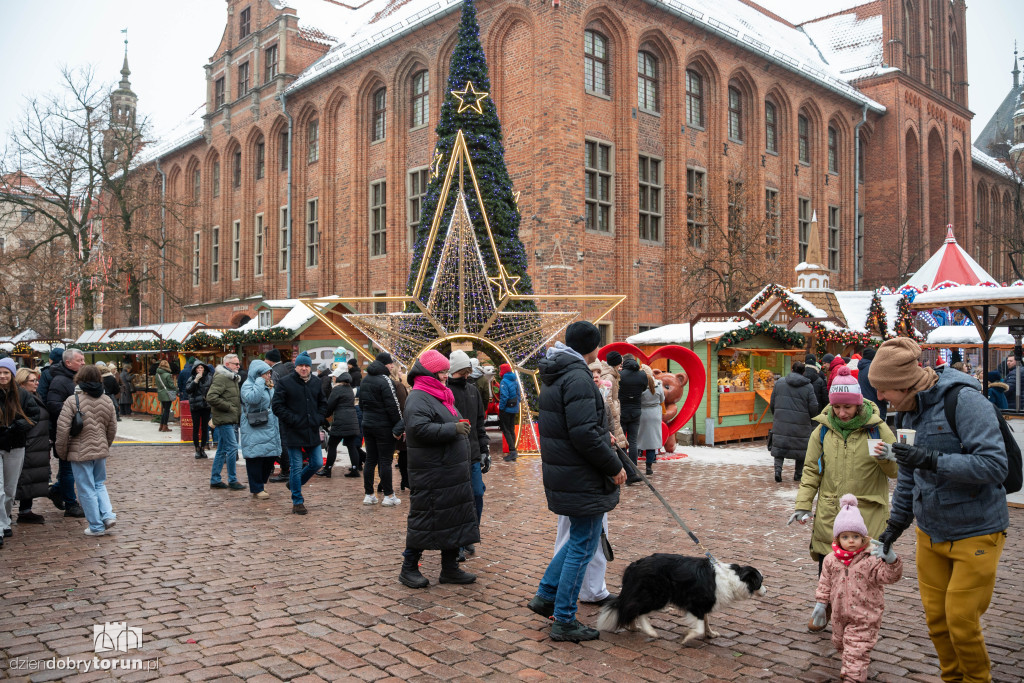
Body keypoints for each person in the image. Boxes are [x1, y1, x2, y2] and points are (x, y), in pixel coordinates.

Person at [870, 338, 1008, 683]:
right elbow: (908, 477)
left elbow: (994, 465)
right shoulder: (906, 411)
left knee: (960, 621)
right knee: (937, 621)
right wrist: (894, 526)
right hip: (930, 532)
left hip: (975, 529)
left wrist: (932, 460)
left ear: (904, 383)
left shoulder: (964, 401)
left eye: (884, 390)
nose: (880, 398)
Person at [527, 321, 627, 643]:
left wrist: (602, 432)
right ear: (593, 346)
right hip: (581, 474)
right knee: (583, 544)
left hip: (568, 472)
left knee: (578, 538)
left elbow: (580, 425)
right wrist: (613, 466)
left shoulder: (559, 372)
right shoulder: (578, 376)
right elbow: (582, 433)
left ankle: (545, 596)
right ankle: (565, 618)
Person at [789, 365, 898, 582]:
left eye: (847, 406)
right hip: (831, 519)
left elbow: (894, 472)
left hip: (867, 519)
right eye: (836, 406)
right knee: (828, 586)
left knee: (863, 589)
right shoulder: (822, 430)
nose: (841, 413)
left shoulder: (876, 428)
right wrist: (802, 505)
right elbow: (811, 471)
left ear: (858, 404)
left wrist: (887, 456)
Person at [398, 349, 478, 588]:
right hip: (432, 472)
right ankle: (408, 568)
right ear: (430, 373)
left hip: (449, 471)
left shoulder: (440, 395)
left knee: (452, 518)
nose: (446, 376)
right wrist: (452, 429)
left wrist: (458, 426)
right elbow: (418, 429)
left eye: (445, 371)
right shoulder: (419, 396)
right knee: (424, 519)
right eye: (442, 372)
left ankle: (450, 568)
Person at [811, 495, 903, 682]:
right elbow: (825, 582)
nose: (851, 541)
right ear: (838, 538)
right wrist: (821, 603)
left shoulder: (871, 560)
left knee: (856, 650)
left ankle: (853, 676)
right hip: (839, 614)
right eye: (845, 537)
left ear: (863, 538)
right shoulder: (830, 560)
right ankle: (851, 665)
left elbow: (889, 576)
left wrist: (891, 560)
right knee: (840, 644)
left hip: (865, 616)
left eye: (855, 536)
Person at [54, 364, 117, 536]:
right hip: (100, 449)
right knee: (99, 484)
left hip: (79, 451)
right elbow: (112, 428)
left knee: (86, 488)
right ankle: (108, 515)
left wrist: (62, 451)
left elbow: (62, 430)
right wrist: (106, 444)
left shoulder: (72, 401)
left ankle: (96, 526)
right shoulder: (107, 401)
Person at [271, 351, 327, 515]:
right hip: (294, 431)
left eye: (306, 366)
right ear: (296, 367)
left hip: (311, 430)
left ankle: (295, 484)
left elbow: (323, 404)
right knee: (295, 466)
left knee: (316, 463)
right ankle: (297, 501)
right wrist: (293, 419)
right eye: (301, 366)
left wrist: (318, 418)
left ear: (310, 367)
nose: (304, 368)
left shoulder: (316, 382)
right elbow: (277, 406)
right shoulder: (285, 383)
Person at [447, 350, 490, 560]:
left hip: (472, 453)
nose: (466, 376)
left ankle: (470, 534)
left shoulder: (473, 391)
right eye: (462, 372)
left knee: (477, 494)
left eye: (468, 372)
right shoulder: (445, 391)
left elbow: (479, 423)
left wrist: (484, 449)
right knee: (457, 499)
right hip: (452, 454)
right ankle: (457, 542)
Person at [0, 358, 39, 544]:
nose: (2, 376)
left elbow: (34, 415)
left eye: (6, 372)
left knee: (9, 488)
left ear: (12, 374)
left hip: (15, 445)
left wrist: (17, 426)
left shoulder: (22, 395)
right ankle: (0, 526)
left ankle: (6, 518)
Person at [358, 352, 403, 506]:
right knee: (385, 461)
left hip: (368, 424)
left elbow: (362, 405)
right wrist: (399, 424)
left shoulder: (365, 380)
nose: (392, 366)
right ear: (385, 364)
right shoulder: (385, 380)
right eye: (390, 364)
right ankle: (389, 495)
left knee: (370, 459)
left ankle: (369, 494)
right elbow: (393, 406)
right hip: (384, 426)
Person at [45, 348, 85, 518]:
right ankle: (71, 504)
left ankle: (55, 490)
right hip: (65, 432)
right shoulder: (60, 380)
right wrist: (75, 412)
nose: (83, 363)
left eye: (83, 360)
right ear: (68, 363)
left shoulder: (76, 379)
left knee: (71, 470)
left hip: (77, 431)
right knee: (68, 469)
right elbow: (52, 404)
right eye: (79, 360)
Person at [769, 360, 819, 482]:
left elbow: (773, 402)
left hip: (781, 421)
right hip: (801, 424)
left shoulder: (780, 383)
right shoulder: (808, 387)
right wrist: (811, 419)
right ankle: (798, 474)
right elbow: (813, 406)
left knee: (779, 447)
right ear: (803, 372)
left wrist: (777, 415)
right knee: (801, 449)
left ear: (791, 370)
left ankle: (778, 471)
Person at [240, 359, 280, 500]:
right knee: (255, 457)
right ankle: (257, 488)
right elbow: (253, 399)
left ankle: (261, 484)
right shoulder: (248, 385)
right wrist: (259, 381)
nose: (269, 376)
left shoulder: (268, 385)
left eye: (269, 373)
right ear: (258, 374)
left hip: (269, 425)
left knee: (269, 455)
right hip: (254, 426)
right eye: (266, 373)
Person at [14, 368, 49, 525]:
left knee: (30, 478)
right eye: (32, 381)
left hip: (37, 443)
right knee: (22, 478)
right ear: (22, 383)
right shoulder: (19, 398)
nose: (36, 383)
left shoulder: (35, 395)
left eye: (37, 380)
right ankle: (16, 511)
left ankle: (25, 509)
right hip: (28, 443)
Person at [207, 354, 245, 491]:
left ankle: (215, 479)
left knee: (222, 450)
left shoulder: (231, 378)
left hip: (229, 418)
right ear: (227, 364)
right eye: (236, 364)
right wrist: (229, 407)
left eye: (238, 363)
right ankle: (232, 480)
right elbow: (211, 397)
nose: (238, 366)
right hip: (225, 419)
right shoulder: (222, 377)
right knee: (232, 448)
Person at [319, 368, 362, 478]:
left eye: (333, 376)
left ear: (337, 377)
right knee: (351, 446)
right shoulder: (348, 388)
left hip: (341, 422)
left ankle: (328, 469)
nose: (332, 378)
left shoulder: (337, 389)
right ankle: (354, 469)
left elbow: (330, 405)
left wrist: (324, 416)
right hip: (352, 421)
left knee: (332, 445)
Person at [617, 354, 648, 484]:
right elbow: (644, 388)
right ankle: (633, 469)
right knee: (633, 441)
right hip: (636, 410)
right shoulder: (642, 375)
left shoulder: (620, 375)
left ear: (623, 362)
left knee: (622, 441)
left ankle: (626, 468)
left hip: (622, 410)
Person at [265, 349, 294, 483]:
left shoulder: (274, 372)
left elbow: (274, 391)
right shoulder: (285, 369)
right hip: (287, 408)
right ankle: (287, 468)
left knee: (282, 441)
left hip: (279, 410)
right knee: (285, 440)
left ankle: (285, 470)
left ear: (270, 360)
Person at [637, 366, 665, 476]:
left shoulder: (639, 386)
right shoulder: (658, 385)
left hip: (642, 413)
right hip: (655, 414)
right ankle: (649, 466)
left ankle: (634, 465)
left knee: (638, 439)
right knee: (652, 441)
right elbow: (662, 399)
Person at [185, 362, 214, 459]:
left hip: (206, 406)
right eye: (198, 368)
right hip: (196, 406)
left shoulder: (209, 378)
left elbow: (213, 389)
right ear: (195, 369)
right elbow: (188, 390)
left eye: (202, 367)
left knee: (205, 428)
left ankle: (203, 448)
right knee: (196, 428)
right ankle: (197, 448)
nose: (200, 369)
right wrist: (196, 380)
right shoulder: (191, 379)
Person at [856, 347, 886, 422]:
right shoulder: (872, 369)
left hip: (865, 404)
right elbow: (879, 390)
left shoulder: (862, 368)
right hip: (876, 406)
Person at [498, 363, 520, 461]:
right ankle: (514, 451)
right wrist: (516, 404)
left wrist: (501, 408)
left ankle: (512, 451)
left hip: (506, 409)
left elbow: (504, 397)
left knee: (506, 430)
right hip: (514, 408)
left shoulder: (504, 381)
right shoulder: (515, 380)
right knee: (511, 429)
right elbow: (518, 395)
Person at [155, 360, 176, 432]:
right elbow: (171, 385)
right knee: (166, 410)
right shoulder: (167, 375)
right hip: (167, 394)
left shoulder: (157, 374)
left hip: (161, 393)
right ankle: (164, 426)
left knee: (164, 410)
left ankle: (161, 426)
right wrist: (176, 389)